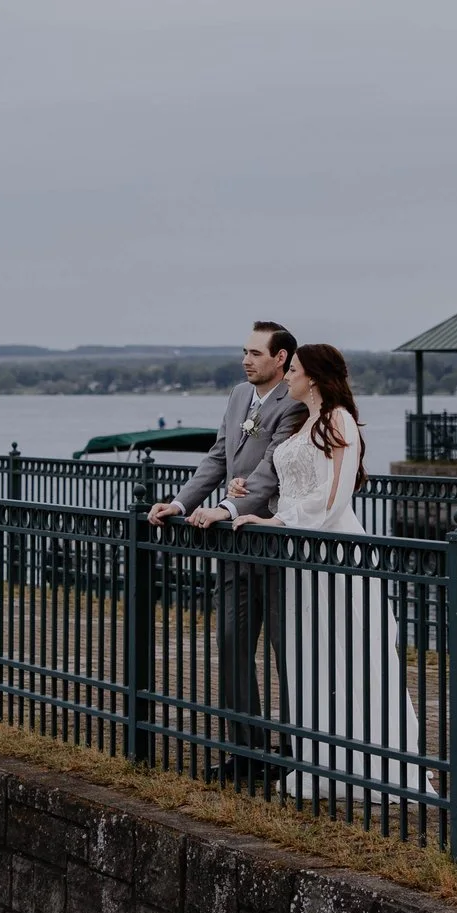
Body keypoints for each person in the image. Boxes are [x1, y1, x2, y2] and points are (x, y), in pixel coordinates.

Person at [230, 344, 423, 802]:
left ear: (312, 377)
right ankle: (320, 763)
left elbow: (332, 499)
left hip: (334, 550)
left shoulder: (337, 420)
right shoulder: (302, 423)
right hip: (302, 551)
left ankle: (367, 763)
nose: (288, 377)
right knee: (310, 658)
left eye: (292, 370)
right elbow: (293, 484)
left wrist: (276, 521)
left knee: (348, 654)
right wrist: (249, 493)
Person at [148, 323, 307, 784]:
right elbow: (218, 457)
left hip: (274, 545)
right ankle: (248, 751)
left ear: (281, 359)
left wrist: (226, 507)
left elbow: (270, 472)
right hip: (234, 549)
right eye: (244, 351)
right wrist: (181, 503)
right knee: (232, 645)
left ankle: (296, 751)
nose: (246, 360)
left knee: (285, 650)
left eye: (256, 353)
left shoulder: (295, 401)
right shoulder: (239, 395)